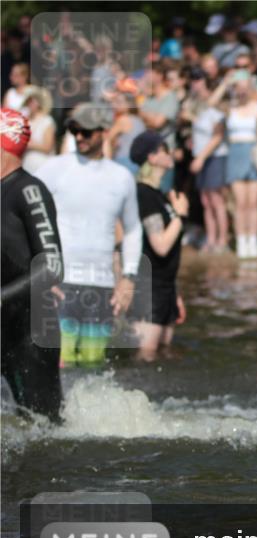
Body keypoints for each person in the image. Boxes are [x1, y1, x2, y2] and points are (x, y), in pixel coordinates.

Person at [36, 103, 141, 367]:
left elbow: (132, 229)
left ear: (104, 132)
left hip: (103, 284)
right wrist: (39, 270)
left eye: (86, 131)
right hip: (61, 283)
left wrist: (128, 278)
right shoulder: (54, 168)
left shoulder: (122, 177)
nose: (79, 137)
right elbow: (28, 217)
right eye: (74, 130)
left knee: (94, 364)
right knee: (61, 362)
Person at [1, 108, 64, 421]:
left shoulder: (28, 190)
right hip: (3, 322)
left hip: (32, 328)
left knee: (44, 428)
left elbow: (52, 266)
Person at [127, 131, 187, 361]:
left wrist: (175, 292)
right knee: (146, 357)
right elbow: (160, 245)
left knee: (163, 356)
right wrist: (179, 216)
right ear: (152, 157)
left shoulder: (159, 195)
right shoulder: (144, 194)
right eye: (165, 148)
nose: (170, 152)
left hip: (165, 286)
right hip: (148, 287)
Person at [220, 71, 257, 258]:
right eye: (238, 88)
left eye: (245, 88)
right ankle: (242, 241)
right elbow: (210, 105)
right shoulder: (229, 108)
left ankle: (252, 240)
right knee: (240, 202)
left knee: (253, 202)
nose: (242, 92)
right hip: (235, 152)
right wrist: (225, 84)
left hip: (253, 153)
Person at [186, 68, 229, 252]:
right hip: (200, 155)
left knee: (216, 199)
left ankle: (222, 240)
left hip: (214, 156)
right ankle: (211, 239)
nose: (195, 83)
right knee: (205, 200)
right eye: (192, 79)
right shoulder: (194, 104)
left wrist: (201, 158)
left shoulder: (215, 105)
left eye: (198, 79)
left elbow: (218, 136)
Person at [20, 86, 56, 174]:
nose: (30, 104)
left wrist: (29, 144)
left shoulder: (47, 121)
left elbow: (47, 147)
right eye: (28, 101)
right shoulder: (25, 120)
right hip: (26, 164)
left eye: (32, 101)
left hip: (42, 166)